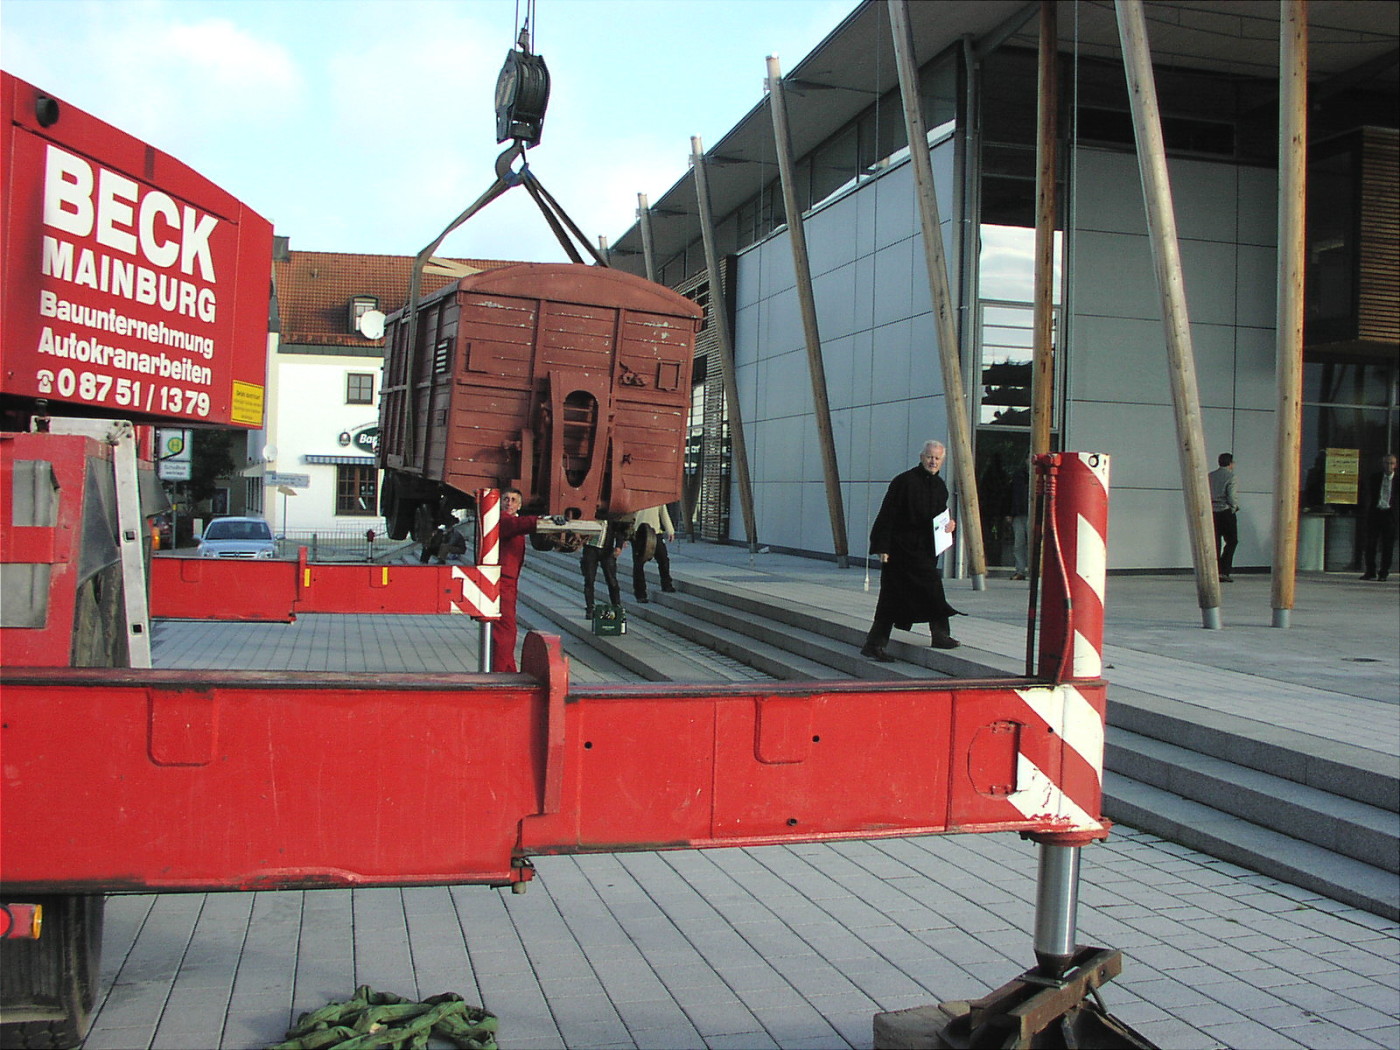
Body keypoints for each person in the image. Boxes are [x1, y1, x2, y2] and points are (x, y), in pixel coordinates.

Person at [861, 440, 962, 660]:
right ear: (921, 457)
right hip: (899, 550)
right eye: (929, 457)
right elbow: (887, 514)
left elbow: (941, 517)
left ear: (942, 461)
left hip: (924, 551)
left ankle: (940, 635)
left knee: (933, 590)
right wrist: (882, 547)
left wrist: (950, 527)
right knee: (891, 597)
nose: (933, 461)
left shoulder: (940, 486)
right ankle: (874, 644)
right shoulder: (904, 481)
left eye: (937, 458)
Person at [494, 488, 544, 673]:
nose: (509, 503)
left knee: (506, 628)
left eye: (514, 500)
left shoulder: (511, 521)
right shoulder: (503, 520)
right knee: (505, 628)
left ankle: (505, 667)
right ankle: (503, 671)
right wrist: (541, 521)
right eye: (506, 499)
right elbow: (517, 525)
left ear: (520, 505)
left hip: (507, 579)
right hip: (502, 580)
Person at [1360, 453, 1398, 582]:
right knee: (1370, 544)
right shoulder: (1375, 478)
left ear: (1395, 465)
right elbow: (1367, 494)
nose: (1389, 466)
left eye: (1391, 463)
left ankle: (1384, 572)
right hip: (1376, 513)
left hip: (1390, 515)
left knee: (1387, 546)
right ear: (1383, 464)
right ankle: (1370, 571)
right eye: (1387, 463)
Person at [581, 518, 628, 618]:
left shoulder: (611, 517)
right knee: (589, 579)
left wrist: (618, 546)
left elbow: (619, 530)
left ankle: (616, 606)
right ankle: (590, 608)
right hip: (591, 549)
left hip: (607, 550)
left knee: (612, 580)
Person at [630, 504, 676, 603]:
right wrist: (625, 535)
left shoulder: (657, 495)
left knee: (663, 559)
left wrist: (670, 530)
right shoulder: (634, 493)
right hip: (638, 532)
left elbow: (663, 512)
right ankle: (640, 594)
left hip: (655, 531)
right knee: (639, 564)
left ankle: (666, 584)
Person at [1208, 452, 1239, 582]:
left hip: (1212, 512)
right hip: (1225, 512)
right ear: (1230, 463)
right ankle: (1224, 571)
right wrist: (1234, 506)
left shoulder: (1210, 476)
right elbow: (1231, 496)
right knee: (1232, 541)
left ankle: (1212, 571)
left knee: (1215, 542)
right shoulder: (1231, 477)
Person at [1007, 460, 1030, 581]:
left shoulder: (1042, 474)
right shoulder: (1018, 476)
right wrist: (1009, 512)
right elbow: (1011, 494)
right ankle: (1020, 571)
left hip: (1034, 514)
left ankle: (1035, 571)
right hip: (1018, 513)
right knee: (1019, 544)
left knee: (1034, 545)